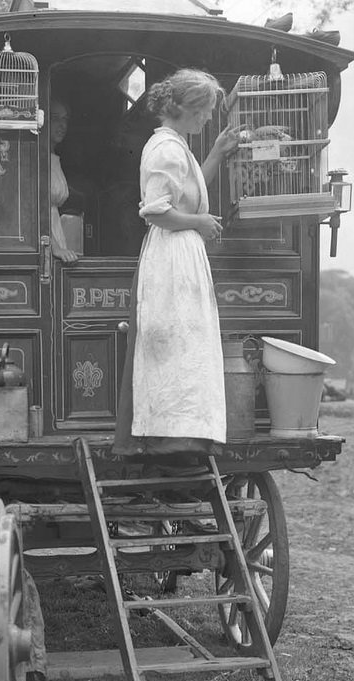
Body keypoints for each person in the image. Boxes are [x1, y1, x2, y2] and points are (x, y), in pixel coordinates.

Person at [113, 68, 239, 464]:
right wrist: (199, 223)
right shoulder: (165, 149)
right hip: (170, 256)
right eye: (205, 111)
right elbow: (156, 212)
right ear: (186, 108)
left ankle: (184, 435)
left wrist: (216, 152)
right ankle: (168, 438)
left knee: (186, 343)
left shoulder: (177, 146)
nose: (207, 119)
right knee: (172, 341)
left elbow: (188, 191)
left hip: (183, 254)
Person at [50, 99, 79, 264]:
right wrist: (54, 247)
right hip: (47, 241)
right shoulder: (38, 159)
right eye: (55, 118)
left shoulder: (53, 158)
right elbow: (36, 210)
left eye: (65, 119)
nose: (62, 125)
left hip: (56, 234)